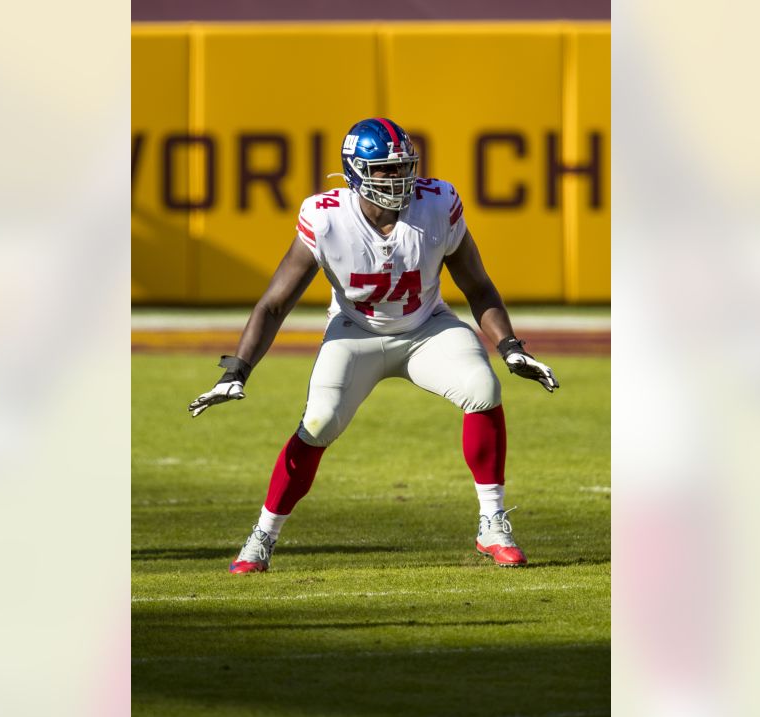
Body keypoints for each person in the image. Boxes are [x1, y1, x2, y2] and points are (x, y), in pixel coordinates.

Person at [187, 117, 560, 573]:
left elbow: (479, 287)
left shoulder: (437, 203)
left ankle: (492, 525)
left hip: (427, 328)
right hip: (355, 331)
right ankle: (262, 536)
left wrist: (511, 347)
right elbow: (274, 303)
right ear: (355, 171)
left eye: (404, 167)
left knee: (483, 387)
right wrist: (237, 370)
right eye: (384, 169)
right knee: (319, 422)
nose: (397, 178)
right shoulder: (326, 217)